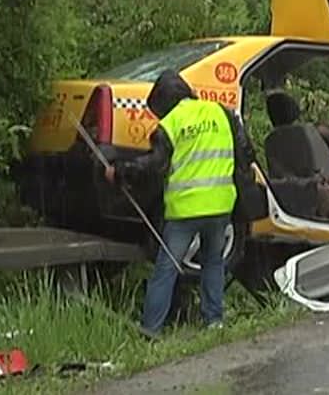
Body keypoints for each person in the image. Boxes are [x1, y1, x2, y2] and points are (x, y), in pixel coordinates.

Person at [105, 69, 257, 338]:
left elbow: (153, 167)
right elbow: (247, 153)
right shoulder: (222, 112)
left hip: (185, 210)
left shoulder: (170, 124)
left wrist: (120, 172)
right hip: (222, 206)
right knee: (213, 263)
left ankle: (151, 329)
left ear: (164, 103)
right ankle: (214, 322)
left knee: (166, 268)